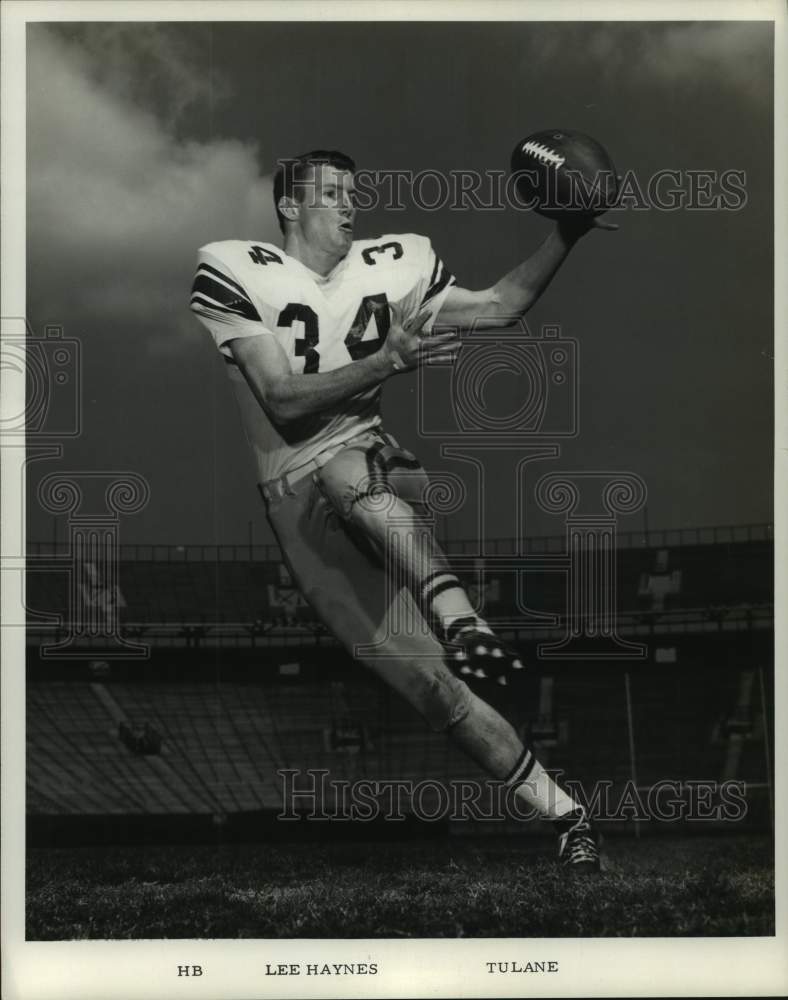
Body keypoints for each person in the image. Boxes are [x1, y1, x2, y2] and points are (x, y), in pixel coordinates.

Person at [190, 149, 615, 871]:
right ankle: (567, 815)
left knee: (346, 466)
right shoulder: (233, 269)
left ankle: (459, 616)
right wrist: (387, 362)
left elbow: (500, 307)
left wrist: (565, 233)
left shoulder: (394, 263)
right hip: (295, 506)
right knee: (439, 696)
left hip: (378, 471)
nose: (350, 206)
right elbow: (285, 403)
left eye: (355, 191)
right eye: (332, 193)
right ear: (290, 207)